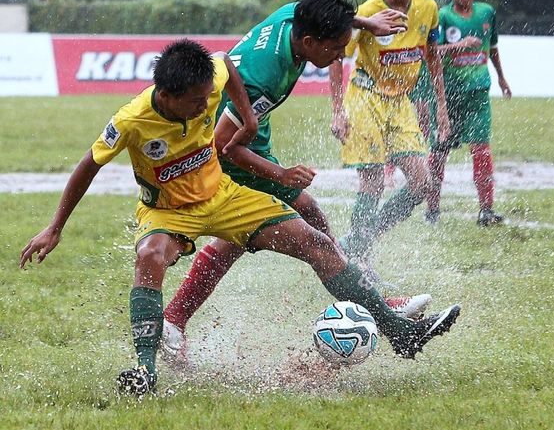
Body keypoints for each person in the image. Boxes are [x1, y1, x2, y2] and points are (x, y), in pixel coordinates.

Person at [19, 40, 460, 396]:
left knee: (317, 242)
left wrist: (247, 119)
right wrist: (55, 226)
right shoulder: (131, 120)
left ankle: (397, 332)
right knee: (150, 255)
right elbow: (87, 166)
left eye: (204, 100)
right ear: (168, 96)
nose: (203, 109)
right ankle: (145, 371)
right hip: (169, 212)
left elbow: (227, 65)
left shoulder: (206, 76)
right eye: (195, 104)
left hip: (224, 197)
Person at [161, 0, 434, 363]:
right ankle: (384, 313)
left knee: (253, 232)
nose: (340, 56)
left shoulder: (295, 19)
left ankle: (174, 318)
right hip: (222, 149)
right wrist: (282, 173)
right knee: (298, 218)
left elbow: (302, 12)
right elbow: (224, 145)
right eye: (336, 48)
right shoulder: (266, 75)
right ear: (309, 42)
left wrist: (366, 23)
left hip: (248, 133)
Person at [329, 0, 451, 267]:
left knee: (423, 183)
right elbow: (335, 53)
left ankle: (364, 236)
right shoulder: (369, 10)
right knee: (373, 180)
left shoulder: (428, 7)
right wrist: (337, 111)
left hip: (400, 102)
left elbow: (432, 54)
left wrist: (441, 105)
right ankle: (358, 256)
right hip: (365, 98)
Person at [424, 0, 512, 226]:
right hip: (448, 94)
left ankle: (486, 210)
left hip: (478, 93)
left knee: (481, 150)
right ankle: (432, 211)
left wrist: (501, 77)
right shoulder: (442, 16)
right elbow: (431, 51)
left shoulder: (487, 13)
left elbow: (492, 48)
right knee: (439, 152)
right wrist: (458, 45)